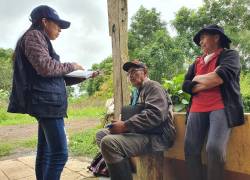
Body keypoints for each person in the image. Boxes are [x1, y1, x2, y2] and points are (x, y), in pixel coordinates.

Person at [7, 5, 95, 180]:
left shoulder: (39, 39)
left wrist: (84, 76)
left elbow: (54, 77)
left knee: (46, 152)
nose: (60, 29)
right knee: (59, 154)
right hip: (46, 104)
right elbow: (46, 67)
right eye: (57, 24)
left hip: (47, 103)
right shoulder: (33, 36)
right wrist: (73, 66)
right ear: (44, 21)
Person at [182, 24, 244, 180]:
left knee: (214, 148)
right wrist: (203, 81)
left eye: (203, 37)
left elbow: (220, 77)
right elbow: (186, 85)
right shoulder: (196, 62)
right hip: (196, 108)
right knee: (190, 149)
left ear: (216, 37)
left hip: (221, 107)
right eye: (200, 39)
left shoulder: (230, 55)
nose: (201, 42)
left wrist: (196, 80)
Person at [96, 60, 176, 180]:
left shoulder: (153, 86)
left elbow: (155, 115)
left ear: (144, 72)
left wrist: (125, 126)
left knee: (109, 143)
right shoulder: (137, 92)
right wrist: (121, 123)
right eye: (128, 74)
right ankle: (123, 174)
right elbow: (136, 113)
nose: (130, 75)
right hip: (143, 132)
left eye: (134, 71)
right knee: (101, 134)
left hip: (158, 137)